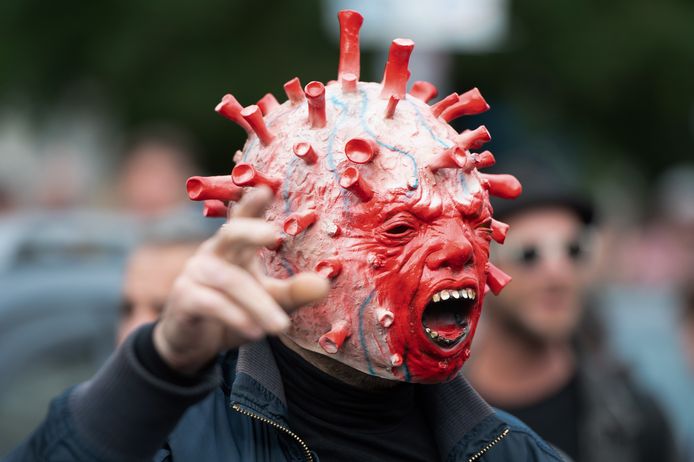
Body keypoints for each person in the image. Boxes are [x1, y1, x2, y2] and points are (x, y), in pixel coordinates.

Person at [5, 9, 564, 461]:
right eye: (398, 227)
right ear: (276, 254)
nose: (460, 250)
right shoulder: (169, 444)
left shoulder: (519, 455)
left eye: (468, 219)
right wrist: (158, 366)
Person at [463, 160, 679, 462]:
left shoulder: (636, 419)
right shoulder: (431, 417)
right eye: (529, 254)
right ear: (479, 263)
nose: (558, 273)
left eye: (574, 249)